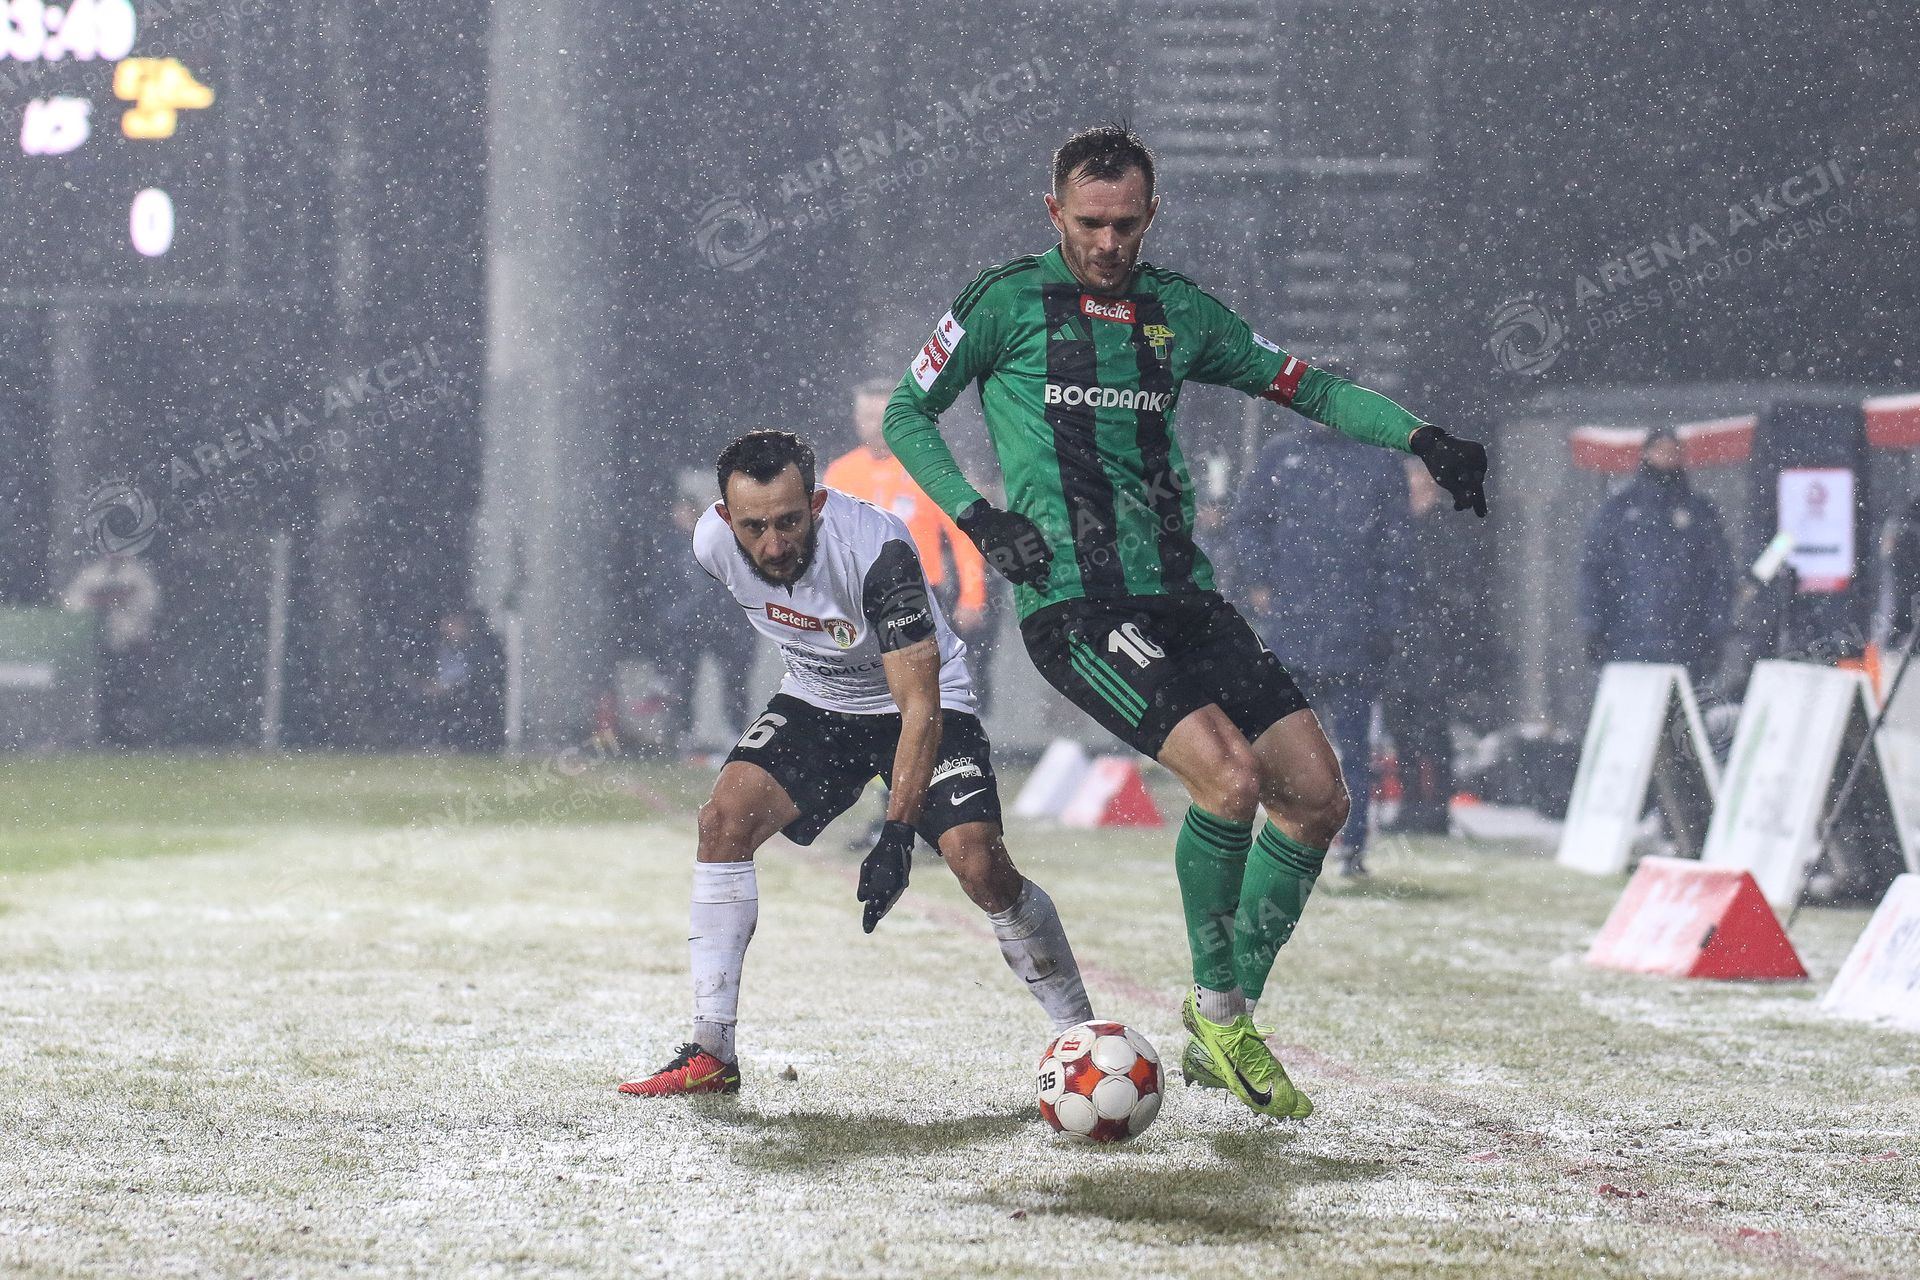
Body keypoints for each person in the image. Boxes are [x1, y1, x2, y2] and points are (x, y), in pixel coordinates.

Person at [883, 124, 1488, 1121]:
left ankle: (1224, 1011)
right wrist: (977, 515)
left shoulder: (1180, 312)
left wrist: (1420, 436)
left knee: (1318, 797)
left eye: (1126, 224)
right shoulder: (1003, 302)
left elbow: (1308, 386)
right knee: (1231, 780)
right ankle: (1221, 1014)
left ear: (1152, 214)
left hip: (1183, 595)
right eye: (1090, 223)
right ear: (1054, 212)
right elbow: (908, 412)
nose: (1108, 242)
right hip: (1076, 606)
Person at [620, 431, 1094, 1098]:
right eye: (754, 527)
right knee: (722, 823)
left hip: (921, 703)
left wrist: (897, 834)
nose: (774, 545)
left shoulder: (877, 551)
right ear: (726, 519)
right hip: (818, 700)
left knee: (979, 864)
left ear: (817, 504)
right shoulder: (710, 545)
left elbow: (919, 707)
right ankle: (712, 1052)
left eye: (789, 522)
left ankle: (1084, 1037)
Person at [1227, 419, 1412, 877]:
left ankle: (1345, 845)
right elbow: (1248, 524)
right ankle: (1303, 843)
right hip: (1303, 630)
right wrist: (1259, 579)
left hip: (1347, 634)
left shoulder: (1372, 462)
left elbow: (1397, 553)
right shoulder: (1287, 456)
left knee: (1344, 748)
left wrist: (1386, 622)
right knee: (1302, 749)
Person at [825, 377, 999, 716]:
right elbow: (828, 545)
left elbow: (962, 535)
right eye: (867, 417)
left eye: (881, 416)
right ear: (856, 420)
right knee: (870, 688)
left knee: (930, 684)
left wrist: (973, 596)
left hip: (921, 594)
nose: (874, 426)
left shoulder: (923, 465)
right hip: (860, 598)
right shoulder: (840, 473)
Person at [1382, 458, 1493, 836]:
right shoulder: (1394, 525)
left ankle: (1437, 808)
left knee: (1432, 728)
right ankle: (1411, 803)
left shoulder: (1446, 527)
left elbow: (1460, 584)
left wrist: (1435, 607)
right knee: (1401, 727)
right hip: (1398, 643)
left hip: (1433, 644)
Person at [1578, 427, 1734, 685]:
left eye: (1672, 450)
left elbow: (1718, 575)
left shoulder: (1699, 512)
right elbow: (1594, 570)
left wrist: (1714, 632)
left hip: (1686, 641)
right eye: (1659, 450)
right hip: (1626, 639)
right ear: (1646, 454)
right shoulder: (1619, 510)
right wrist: (1593, 626)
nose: (1666, 456)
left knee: (1681, 707)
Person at [662, 488, 758, 751]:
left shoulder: (714, 541)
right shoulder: (671, 548)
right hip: (688, 626)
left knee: (734, 680)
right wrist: (676, 615)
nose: (685, 516)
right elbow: (665, 586)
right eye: (681, 511)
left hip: (722, 624)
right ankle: (684, 735)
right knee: (684, 681)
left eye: (689, 510)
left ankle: (735, 733)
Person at [62, 552, 162, 746]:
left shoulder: (137, 574)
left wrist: (115, 599)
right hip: (97, 650)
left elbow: (149, 603)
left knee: (133, 694)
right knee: (103, 696)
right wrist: (104, 599)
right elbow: (72, 603)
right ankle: (106, 735)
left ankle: (134, 737)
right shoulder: (92, 574)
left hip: (132, 646)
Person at [414, 609, 506, 752]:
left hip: (467, 697)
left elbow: (477, 676)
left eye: (452, 623)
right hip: (445, 693)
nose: (447, 628)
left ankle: (458, 742)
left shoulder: (478, 648)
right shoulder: (440, 646)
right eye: (445, 623)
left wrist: (448, 687)